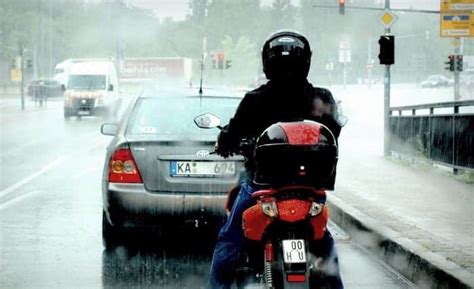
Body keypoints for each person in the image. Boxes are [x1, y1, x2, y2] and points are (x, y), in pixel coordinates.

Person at [208, 30, 344, 289]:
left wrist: (224, 142)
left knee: (230, 239)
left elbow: (231, 134)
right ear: (307, 61)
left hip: (262, 187)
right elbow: (334, 132)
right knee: (324, 244)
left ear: (266, 62)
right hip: (308, 189)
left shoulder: (255, 100)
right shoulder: (322, 98)